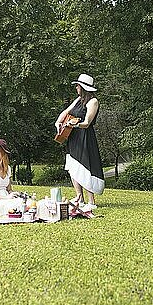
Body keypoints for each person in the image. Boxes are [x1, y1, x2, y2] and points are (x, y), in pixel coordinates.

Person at [55, 73, 105, 208]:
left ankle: (91, 201)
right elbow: (66, 112)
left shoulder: (93, 101)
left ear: (83, 87)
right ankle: (79, 198)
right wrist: (58, 123)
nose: (76, 87)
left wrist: (74, 124)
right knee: (73, 166)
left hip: (85, 137)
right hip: (73, 136)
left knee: (85, 166)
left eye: (78, 85)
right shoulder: (78, 100)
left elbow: (87, 122)